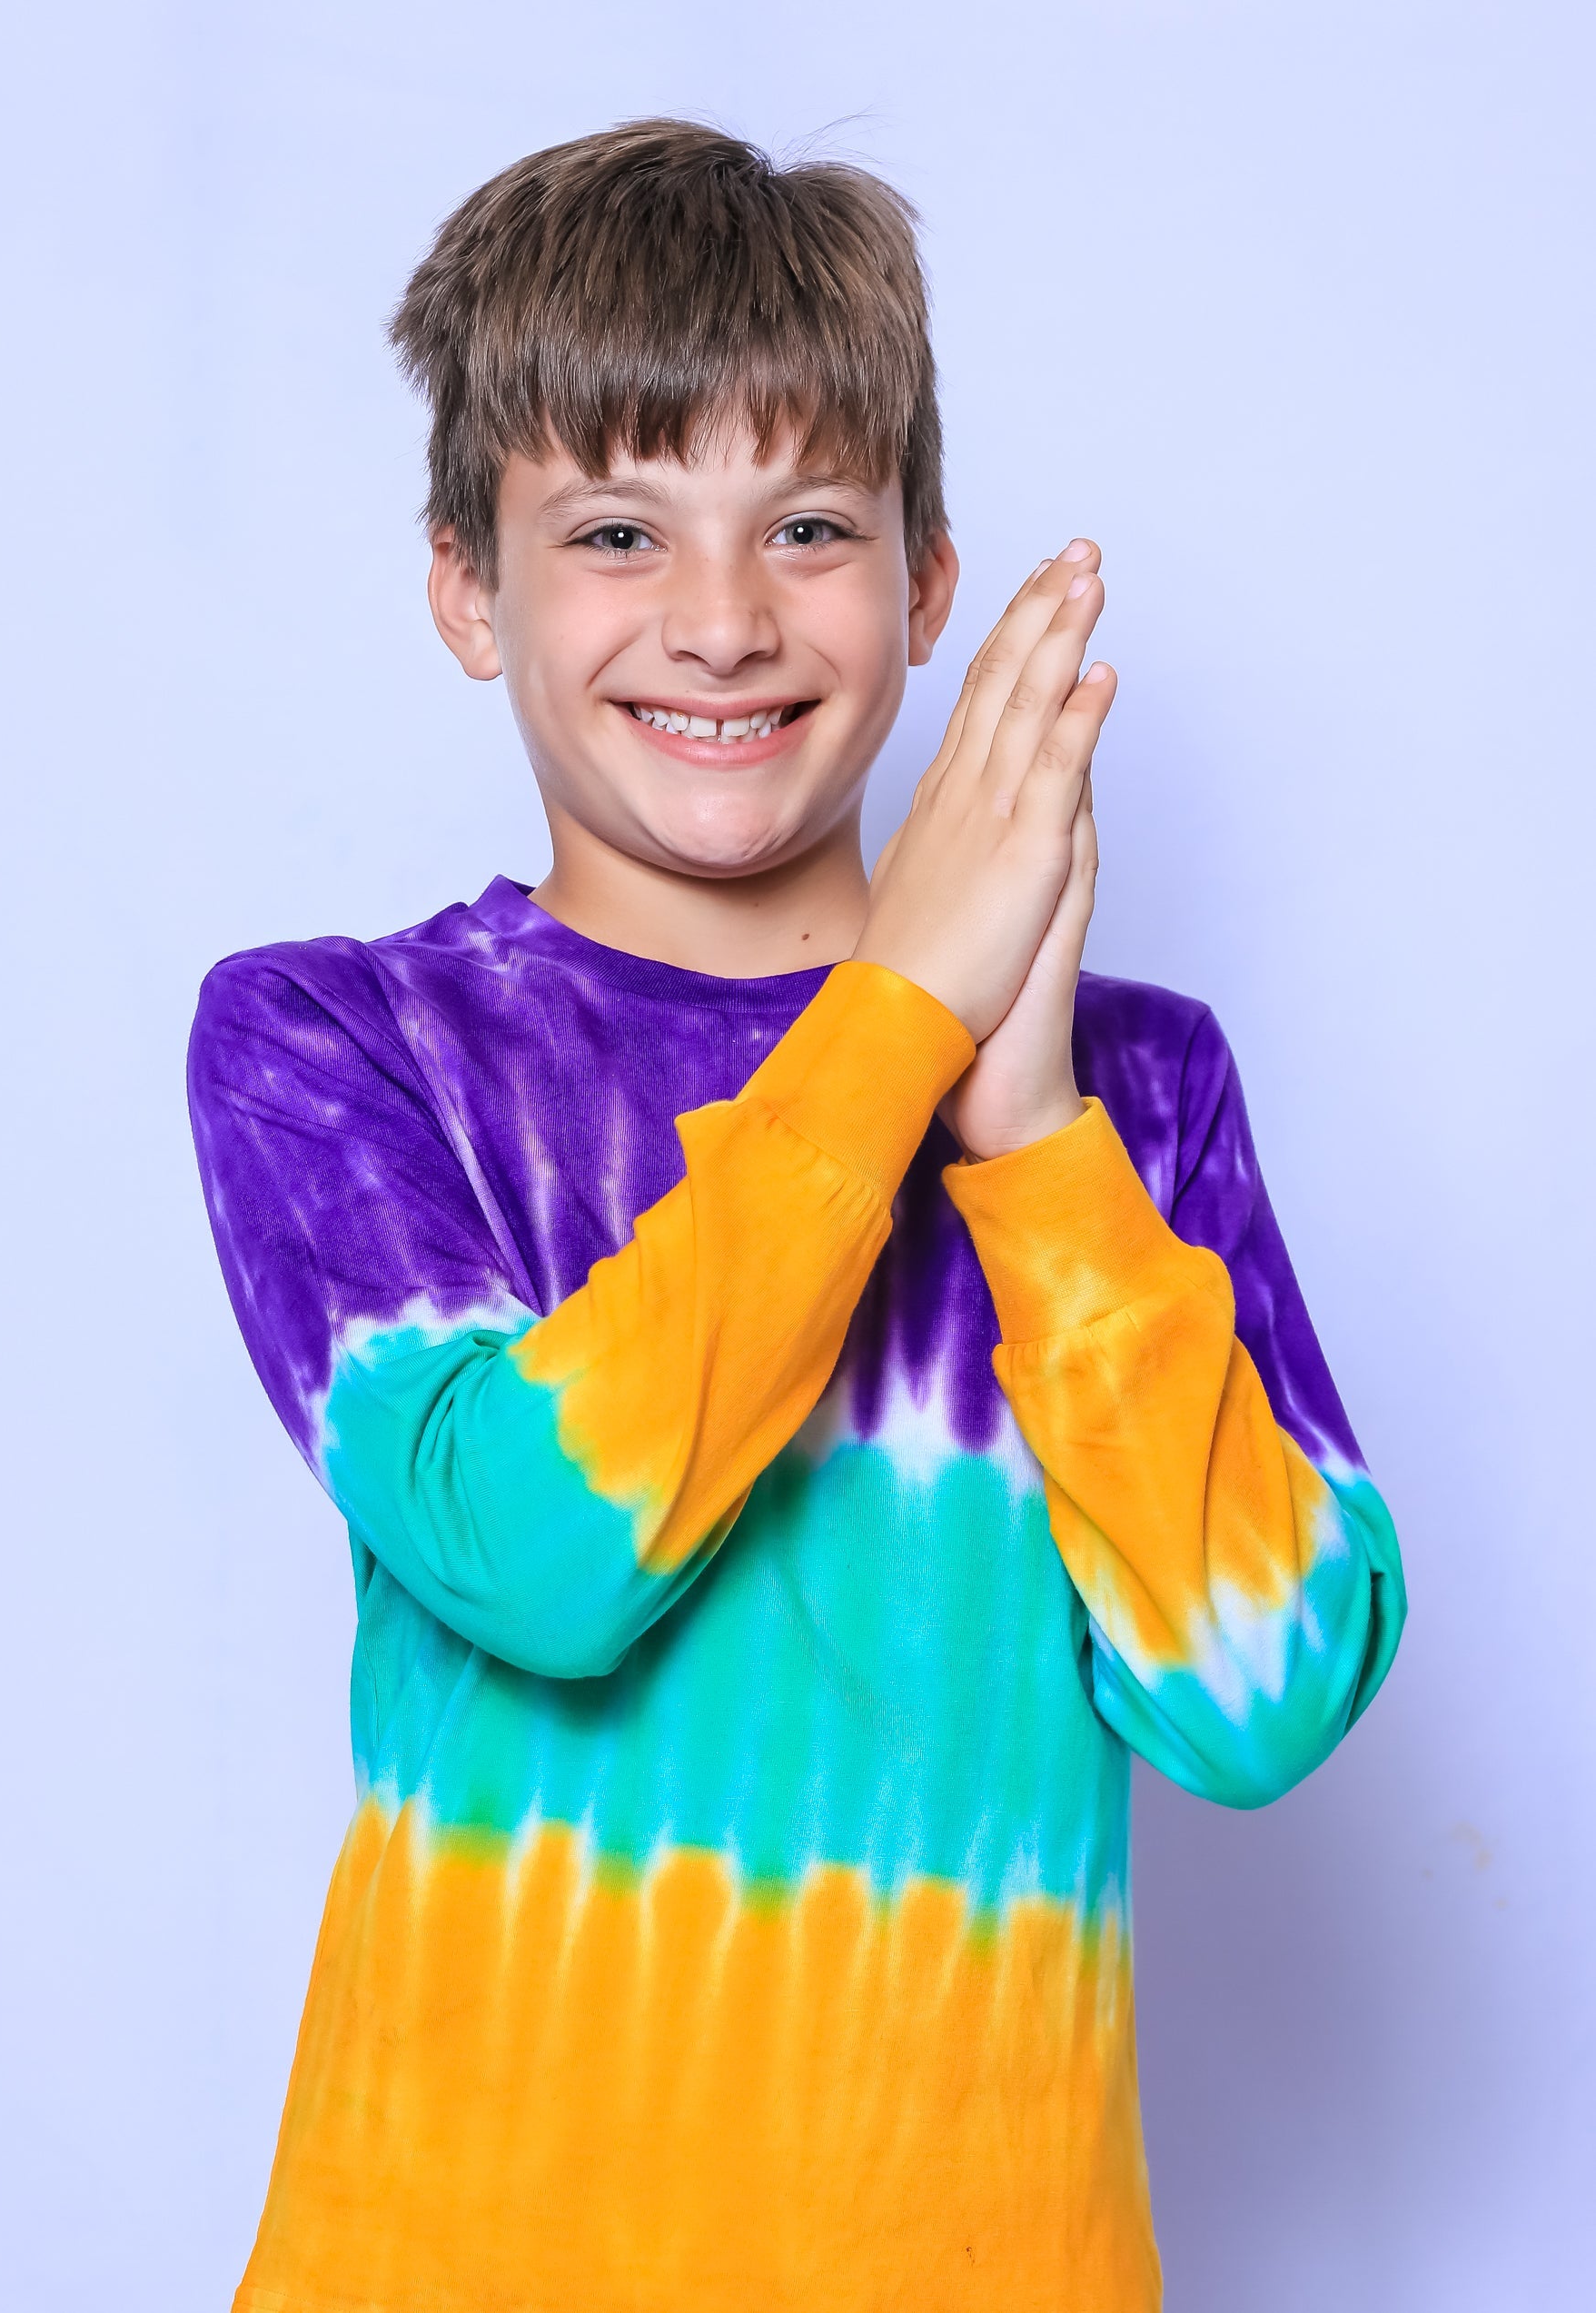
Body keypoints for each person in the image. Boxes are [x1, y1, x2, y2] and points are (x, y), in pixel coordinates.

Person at [186, 118, 1405, 2313]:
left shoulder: (1130, 1100)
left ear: (927, 581)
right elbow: (541, 1558)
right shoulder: (337, 1045)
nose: (725, 620)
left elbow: (1258, 1697)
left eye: (811, 526)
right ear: (466, 586)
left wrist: (1022, 1131)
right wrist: (899, 1014)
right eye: (616, 530)